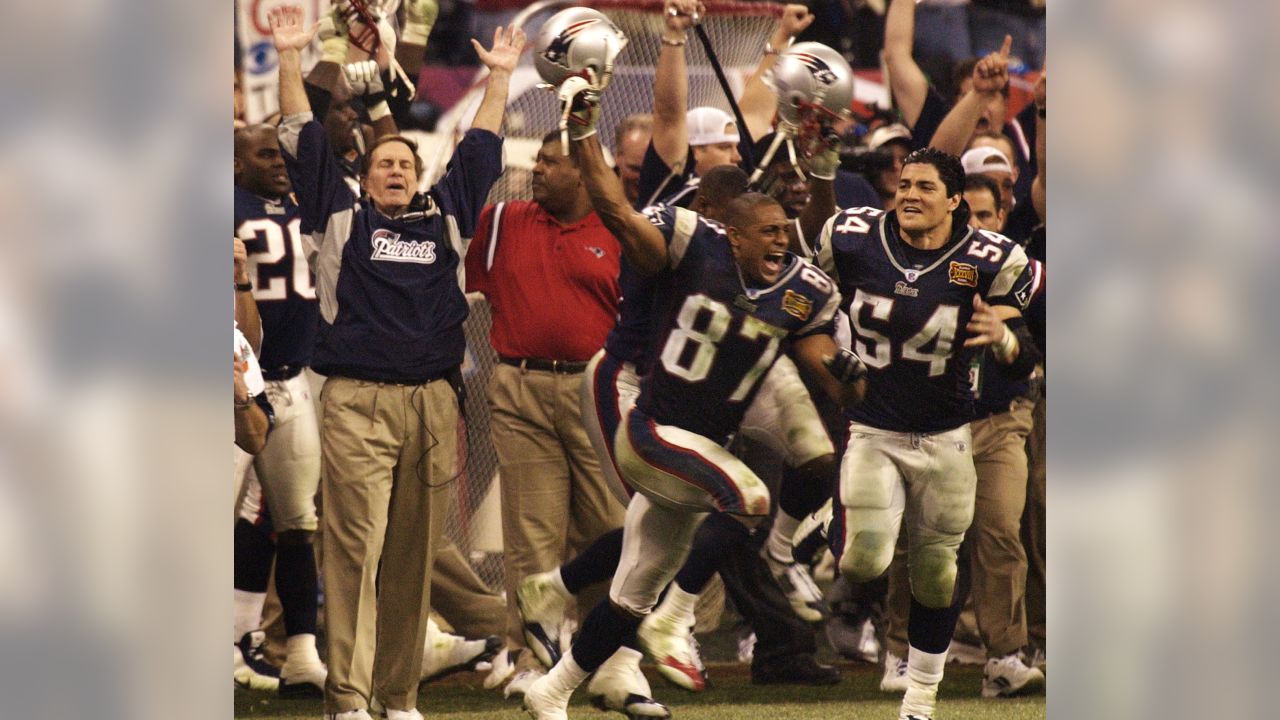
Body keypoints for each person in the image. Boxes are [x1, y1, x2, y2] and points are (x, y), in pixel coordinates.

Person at [521, 75, 867, 720]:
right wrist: (583, 129)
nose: (778, 241)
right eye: (763, 231)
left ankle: (557, 686)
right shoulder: (689, 243)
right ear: (727, 230)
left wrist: (855, 374)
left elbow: (818, 288)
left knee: (637, 580)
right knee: (746, 499)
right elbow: (618, 211)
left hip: (710, 420)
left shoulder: (795, 284)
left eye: (781, 231)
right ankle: (677, 617)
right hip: (650, 414)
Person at [268, 6, 525, 719]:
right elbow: (300, 137)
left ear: (419, 176)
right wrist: (292, 59)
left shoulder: (445, 218)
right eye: (383, 162)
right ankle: (348, 700)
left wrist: (499, 78)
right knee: (356, 549)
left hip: (434, 405)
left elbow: (481, 144)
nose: (393, 170)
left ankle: (399, 697)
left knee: (413, 558)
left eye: (404, 164)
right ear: (365, 174)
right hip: (356, 402)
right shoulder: (339, 217)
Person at [815, 146, 1041, 720]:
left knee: (938, 574)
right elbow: (811, 269)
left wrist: (1004, 338)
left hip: (946, 436)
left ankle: (920, 697)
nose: (910, 195)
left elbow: (1025, 364)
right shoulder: (858, 237)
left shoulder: (988, 260)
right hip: (875, 430)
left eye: (925, 187)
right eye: (904, 185)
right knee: (865, 560)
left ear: (954, 199)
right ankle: (815, 532)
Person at [462, 132, 633, 702]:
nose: (537, 170)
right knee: (529, 535)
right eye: (537, 160)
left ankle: (604, 659)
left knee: (608, 530)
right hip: (521, 384)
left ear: (585, 173)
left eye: (550, 163)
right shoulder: (505, 221)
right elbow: (467, 283)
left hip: (598, 390)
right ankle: (533, 659)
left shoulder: (621, 229)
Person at [233, 122, 329, 698]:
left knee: (298, 524)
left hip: (291, 382)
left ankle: (301, 653)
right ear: (236, 164)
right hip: (232, 380)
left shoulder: (306, 203)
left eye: (282, 153)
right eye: (265, 154)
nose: (278, 162)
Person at [614, 114, 653, 207]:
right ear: (617, 158)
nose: (644, 179)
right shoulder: (595, 203)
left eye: (651, 171)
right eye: (635, 169)